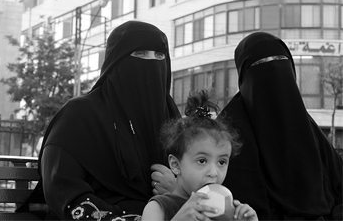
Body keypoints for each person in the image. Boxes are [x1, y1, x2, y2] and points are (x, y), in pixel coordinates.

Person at [35, 20, 180, 220]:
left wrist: (177, 190)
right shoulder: (80, 115)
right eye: (140, 54)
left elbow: (197, 172)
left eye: (160, 56)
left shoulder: (170, 116)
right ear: (116, 62)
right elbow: (61, 188)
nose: (152, 63)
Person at [217, 32, 343, 220]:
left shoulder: (308, 128)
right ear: (244, 77)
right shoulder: (226, 131)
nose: (273, 74)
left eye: (279, 62)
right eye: (260, 66)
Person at [142, 91, 258, 221]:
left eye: (222, 162)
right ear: (175, 165)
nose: (213, 173)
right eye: (202, 161)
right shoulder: (159, 207)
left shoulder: (225, 208)